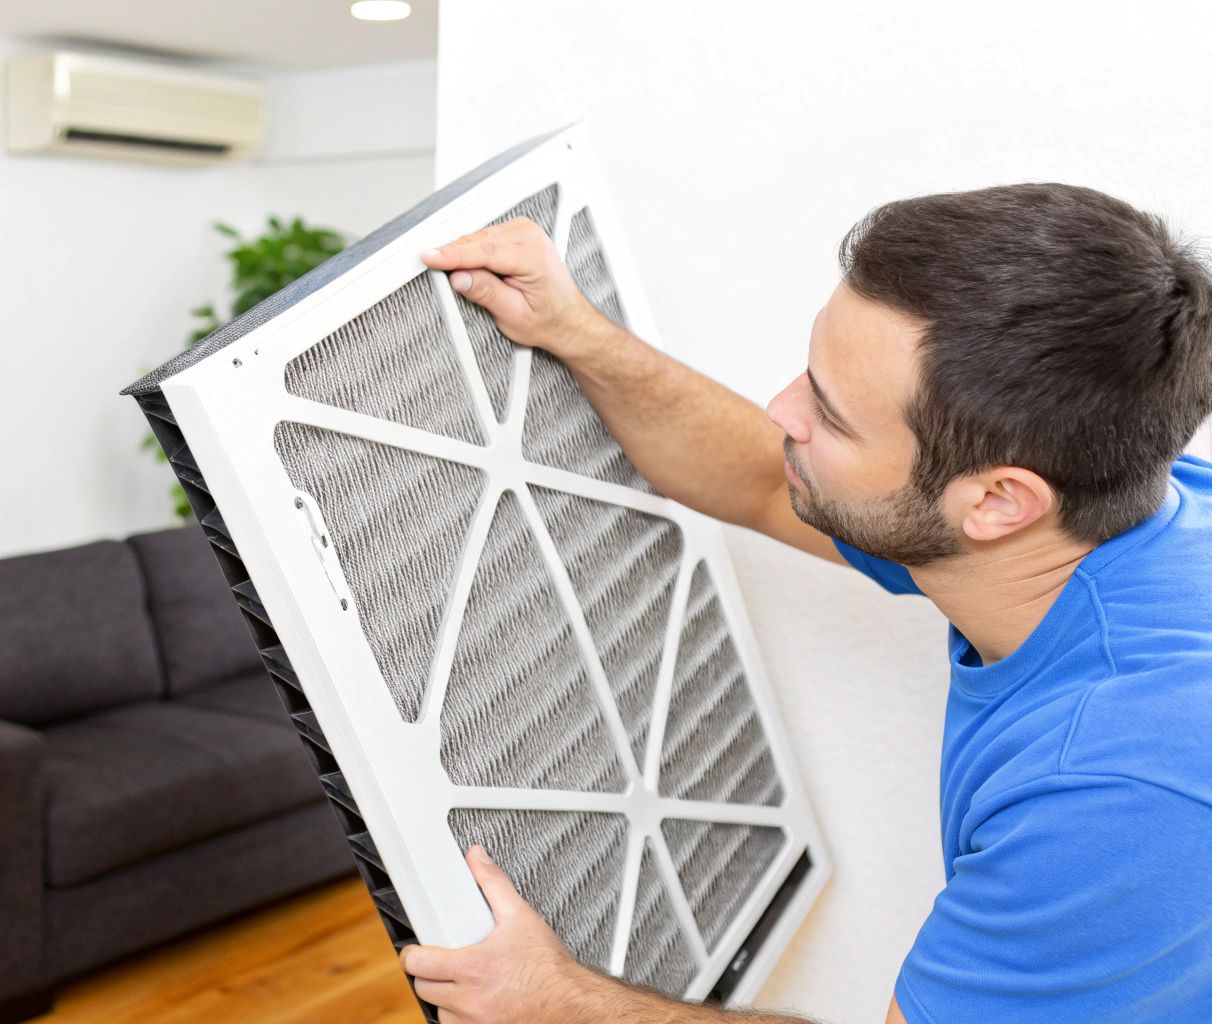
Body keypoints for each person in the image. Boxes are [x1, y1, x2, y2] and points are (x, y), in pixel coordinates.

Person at [406, 184, 1212, 1024]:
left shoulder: (1120, 790)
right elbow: (762, 478)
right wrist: (573, 332)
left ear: (999, 503)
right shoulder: (1126, 505)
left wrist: (559, 1004)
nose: (784, 410)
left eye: (830, 414)